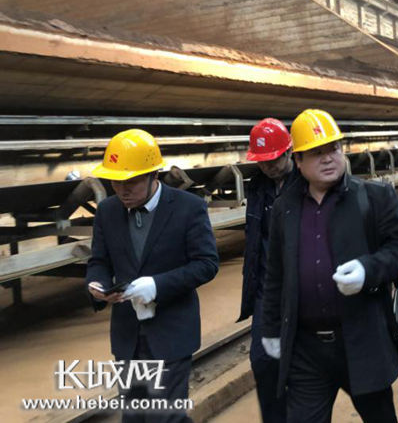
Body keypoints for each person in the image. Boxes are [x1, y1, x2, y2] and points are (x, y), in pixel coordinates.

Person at [260, 109, 398, 423]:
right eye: (316, 153)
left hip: (361, 340)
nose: (328, 158)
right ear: (298, 160)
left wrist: (368, 270)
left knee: (379, 417)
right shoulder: (284, 209)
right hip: (306, 349)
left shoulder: (373, 197)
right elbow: (276, 274)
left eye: (333, 148)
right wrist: (271, 329)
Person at [86, 129, 219, 423]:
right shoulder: (107, 211)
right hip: (128, 336)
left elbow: (206, 263)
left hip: (171, 333)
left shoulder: (188, 208)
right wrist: (97, 284)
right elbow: (99, 261)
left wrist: (158, 285)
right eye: (115, 182)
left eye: (131, 182)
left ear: (153, 175)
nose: (122, 190)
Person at [238, 118, 298, 423]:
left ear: (289, 152)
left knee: (304, 363)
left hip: (303, 287)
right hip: (267, 289)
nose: (268, 167)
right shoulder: (258, 185)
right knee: (262, 361)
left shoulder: (307, 182)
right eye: (261, 161)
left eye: (273, 159)